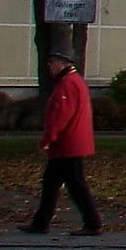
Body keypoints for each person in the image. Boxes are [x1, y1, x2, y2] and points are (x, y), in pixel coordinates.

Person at [24, 43, 101, 236]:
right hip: (69, 144)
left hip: (68, 144)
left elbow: (60, 116)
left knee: (75, 185)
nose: (49, 66)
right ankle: (41, 222)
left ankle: (92, 222)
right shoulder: (74, 82)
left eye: (51, 62)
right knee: (52, 183)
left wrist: (48, 139)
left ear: (62, 63)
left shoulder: (67, 85)